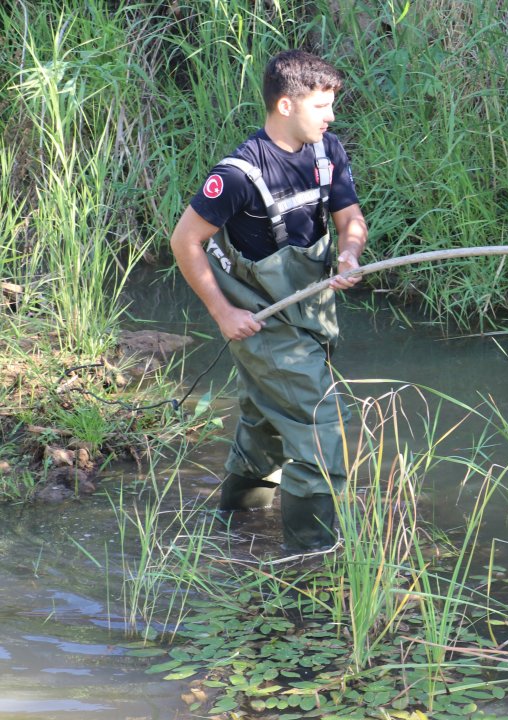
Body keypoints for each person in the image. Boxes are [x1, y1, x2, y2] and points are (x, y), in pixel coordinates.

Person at [170, 49, 367, 552]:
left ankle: (235, 533)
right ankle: (312, 557)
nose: (331, 117)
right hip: (262, 324)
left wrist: (348, 256)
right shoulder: (238, 174)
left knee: (265, 429)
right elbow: (185, 241)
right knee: (319, 430)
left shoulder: (329, 152)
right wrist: (223, 312)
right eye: (321, 107)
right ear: (285, 106)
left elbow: (350, 221)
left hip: (313, 316)